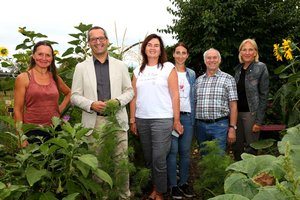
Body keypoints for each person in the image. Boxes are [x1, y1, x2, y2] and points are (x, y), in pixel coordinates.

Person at [70, 26, 134, 199]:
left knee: (121, 163)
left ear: (107, 40)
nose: (98, 42)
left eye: (101, 38)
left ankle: (124, 195)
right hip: (94, 122)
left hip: (117, 121)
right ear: (89, 43)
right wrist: (91, 104)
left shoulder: (120, 66)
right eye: (93, 39)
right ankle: (101, 196)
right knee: (97, 165)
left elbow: (129, 91)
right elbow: (74, 96)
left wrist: (117, 102)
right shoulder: (81, 67)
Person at [129, 34, 183, 200]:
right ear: (144, 48)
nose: (153, 48)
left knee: (159, 157)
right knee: (149, 157)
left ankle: (160, 192)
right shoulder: (138, 70)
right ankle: (155, 187)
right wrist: (132, 119)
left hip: (162, 119)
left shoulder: (168, 68)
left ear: (161, 50)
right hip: (142, 119)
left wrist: (176, 120)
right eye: (149, 45)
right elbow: (133, 96)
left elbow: (175, 95)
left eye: (156, 45)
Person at [14, 41, 71, 144]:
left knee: (56, 159)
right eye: (40, 54)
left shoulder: (55, 78)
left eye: (48, 55)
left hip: (54, 130)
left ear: (52, 58)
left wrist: (59, 109)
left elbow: (69, 93)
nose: (44, 58)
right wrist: (21, 136)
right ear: (34, 56)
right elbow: (18, 109)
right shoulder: (24, 78)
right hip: (32, 131)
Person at [195, 48, 238, 154]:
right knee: (204, 158)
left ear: (219, 60)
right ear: (205, 61)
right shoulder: (198, 81)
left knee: (218, 159)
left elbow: (233, 106)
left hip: (219, 126)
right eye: (209, 58)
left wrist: (232, 128)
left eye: (215, 57)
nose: (212, 60)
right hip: (200, 126)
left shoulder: (228, 79)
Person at [167, 42, 195, 199]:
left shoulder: (191, 74)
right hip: (172, 117)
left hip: (187, 116)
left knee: (185, 152)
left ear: (187, 55)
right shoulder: (167, 72)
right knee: (172, 152)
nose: (180, 56)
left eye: (183, 53)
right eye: (177, 52)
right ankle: (173, 186)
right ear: (173, 54)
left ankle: (184, 182)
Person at [232, 39, 269, 161]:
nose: (247, 52)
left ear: (255, 52)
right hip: (236, 114)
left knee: (251, 148)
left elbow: (264, 95)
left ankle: (251, 177)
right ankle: (238, 174)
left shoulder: (261, 68)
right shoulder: (237, 69)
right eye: (244, 49)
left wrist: (258, 121)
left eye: (250, 49)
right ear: (240, 52)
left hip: (251, 114)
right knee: (237, 147)